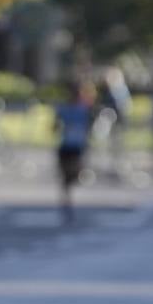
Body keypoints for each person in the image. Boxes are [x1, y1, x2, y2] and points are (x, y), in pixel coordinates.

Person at [53, 81, 95, 222]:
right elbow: (54, 126)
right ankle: (67, 203)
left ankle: (67, 200)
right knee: (66, 178)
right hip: (66, 146)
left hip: (77, 146)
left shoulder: (84, 110)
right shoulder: (64, 109)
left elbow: (90, 127)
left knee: (73, 175)